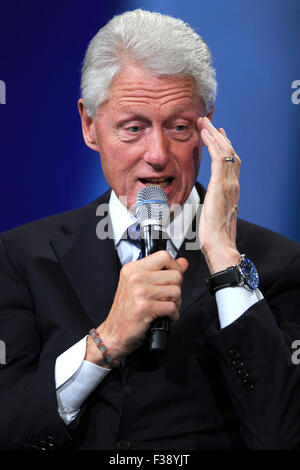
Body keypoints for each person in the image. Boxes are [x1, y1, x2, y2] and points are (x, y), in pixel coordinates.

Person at [0, 9, 300, 451]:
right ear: (89, 125)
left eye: (179, 127)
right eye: (133, 128)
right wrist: (105, 342)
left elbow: (282, 436)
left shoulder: (277, 263)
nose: (157, 155)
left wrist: (222, 259)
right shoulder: (22, 257)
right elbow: (10, 426)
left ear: (207, 126)